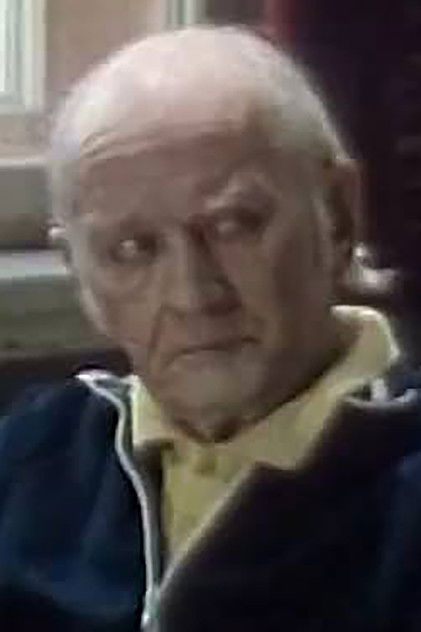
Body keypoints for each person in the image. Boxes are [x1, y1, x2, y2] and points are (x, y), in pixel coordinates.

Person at [1, 25, 421, 632]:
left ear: (337, 216)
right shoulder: (33, 453)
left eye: (234, 226)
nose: (193, 295)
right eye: (132, 249)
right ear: (80, 276)